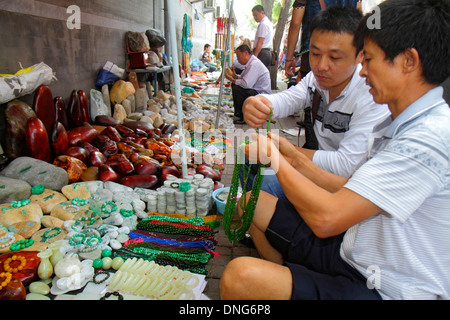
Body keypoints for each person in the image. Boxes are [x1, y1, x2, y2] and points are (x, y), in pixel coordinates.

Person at [220, 0, 450, 300]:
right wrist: (286, 151)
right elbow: (346, 186)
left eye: (368, 59)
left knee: (239, 278)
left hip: (385, 286)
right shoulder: (403, 120)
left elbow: (326, 220)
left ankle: (280, 283)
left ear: (409, 61)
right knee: (251, 201)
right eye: (315, 54)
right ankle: (286, 281)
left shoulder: (425, 138)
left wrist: (278, 158)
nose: (363, 71)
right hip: (354, 252)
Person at [242, 5, 391, 199]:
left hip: (345, 189)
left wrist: (285, 153)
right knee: (246, 154)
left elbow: (345, 166)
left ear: (360, 55)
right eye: (315, 54)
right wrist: (256, 102)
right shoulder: (315, 80)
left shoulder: (371, 95)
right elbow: (288, 99)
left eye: (334, 57)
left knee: (266, 184)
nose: (321, 66)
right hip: (315, 167)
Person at [285, 0, 361, 82]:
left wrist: (289, 58)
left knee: (311, 88)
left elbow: (295, 24)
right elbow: (358, 21)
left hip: (315, 53)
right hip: (343, 54)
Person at [225, 44, 271, 125]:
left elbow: (246, 84)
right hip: (256, 90)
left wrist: (232, 79)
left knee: (237, 88)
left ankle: (243, 116)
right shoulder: (251, 63)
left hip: (262, 95)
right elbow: (243, 78)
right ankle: (240, 114)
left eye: (238, 56)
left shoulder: (254, 64)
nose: (238, 60)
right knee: (235, 85)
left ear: (246, 53)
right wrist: (235, 76)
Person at [251, 5, 274, 70]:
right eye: (253, 16)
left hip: (262, 53)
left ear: (262, 13)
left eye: (256, 15)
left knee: (258, 75)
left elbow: (260, 42)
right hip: (266, 53)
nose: (255, 17)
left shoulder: (263, 24)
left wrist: (254, 56)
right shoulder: (268, 23)